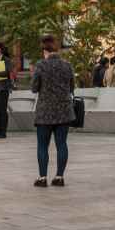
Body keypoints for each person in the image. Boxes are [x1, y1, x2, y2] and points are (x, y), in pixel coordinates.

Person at [30, 34, 75, 188]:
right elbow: (72, 88)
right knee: (61, 144)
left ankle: (42, 178)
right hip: (64, 111)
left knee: (42, 145)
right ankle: (59, 177)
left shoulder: (41, 65)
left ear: (44, 50)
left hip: (45, 112)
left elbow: (34, 88)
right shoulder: (67, 65)